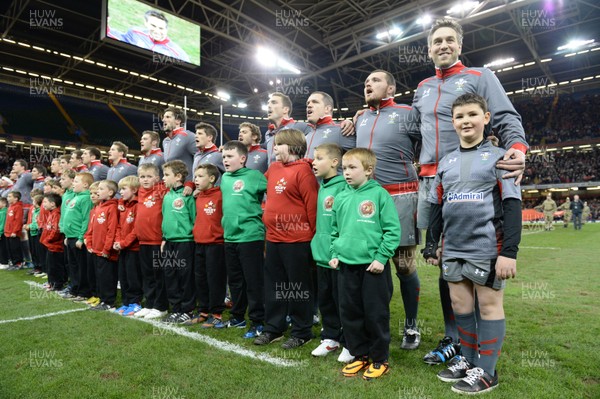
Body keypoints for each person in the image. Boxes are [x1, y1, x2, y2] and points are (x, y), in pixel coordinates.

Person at [411, 19, 529, 363]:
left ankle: (475, 346)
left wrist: (517, 149)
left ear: (459, 45)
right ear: (429, 48)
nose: (443, 45)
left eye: (450, 40)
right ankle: (455, 339)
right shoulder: (422, 87)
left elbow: (507, 118)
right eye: (437, 41)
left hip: (472, 176)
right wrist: (363, 115)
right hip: (432, 181)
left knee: (479, 258)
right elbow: (409, 130)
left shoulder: (481, 76)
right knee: (446, 260)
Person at [422, 93, 521, 394]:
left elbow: (512, 205)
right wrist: (430, 244)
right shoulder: (446, 162)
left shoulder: (501, 157)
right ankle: (466, 360)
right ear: (452, 122)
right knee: (459, 306)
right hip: (452, 248)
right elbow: (437, 207)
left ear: (486, 118)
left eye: (472, 115)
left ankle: (488, 371)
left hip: (487, 247)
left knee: (489, 306)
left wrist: (509, 253)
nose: (466, 121)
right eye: (460, 116)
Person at [355, 69, 422, 350]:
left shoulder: (408, 113)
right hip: (367, 199)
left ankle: (411, 325)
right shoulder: (360, 119)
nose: (368, 84)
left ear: (391, 89)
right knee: (368, 263)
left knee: (403, 264)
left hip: (401, 196)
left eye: (376, 81)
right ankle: (374, 322)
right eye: (366, 81)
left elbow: (431, 141)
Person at [329, 148, 400, 380]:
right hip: (346, 266)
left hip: (373, 268)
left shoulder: (380, 195)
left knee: (375, 314)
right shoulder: (341, 196)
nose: (346, 173)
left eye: (352, 168)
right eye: (344, 168)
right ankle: (360, 356)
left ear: (368, 170)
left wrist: (381, 258)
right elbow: (334, 230)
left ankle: (380, 359)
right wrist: (335, 252)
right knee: (350, 313)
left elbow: (392, 231)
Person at [254, 130, 318, 349]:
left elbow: (312, 208)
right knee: (274, 286)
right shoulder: (273, 169)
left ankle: (302, 331)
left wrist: (313, 241)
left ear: (291, 146)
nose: (274, 148)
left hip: (297, 241)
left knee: (298, 287)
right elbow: (258, 187)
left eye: (278, 144)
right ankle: (274, 328)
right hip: (273, 238)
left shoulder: (304, 172)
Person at [309, 143, 354, 362]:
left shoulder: (343, 187)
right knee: (325, 300)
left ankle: (349, 342)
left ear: (335, 162)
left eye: (318, 158)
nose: (313, 162)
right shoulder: (322, 186)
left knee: (343, 302)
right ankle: (330, 337)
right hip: (321, 255)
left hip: (339, 257)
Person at [219, 140, 267, 336]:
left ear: (243, 158)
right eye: (224, 157)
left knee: (253, 281)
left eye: (230, 156)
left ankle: (258, 321)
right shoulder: (225, 178)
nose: (225, 160)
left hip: (250, 235)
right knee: (236, 281)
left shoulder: (255, 176)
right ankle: (237, 317)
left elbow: (274, 194)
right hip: (230, 236)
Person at [189, 164, 227, 328]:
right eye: (195, 176)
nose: (195, 179)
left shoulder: (221, 195)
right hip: (199, 243)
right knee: (201, 279)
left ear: (211, 178)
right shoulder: (198, 196)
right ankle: (203, 310)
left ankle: (216, 313)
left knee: (215, 280)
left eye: (199, 176)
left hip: (216, 244)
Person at [132, 163, 170, 319]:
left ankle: (161, 306)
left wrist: (188, 185)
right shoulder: (139, 191)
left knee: (159, 275)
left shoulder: (162, 189)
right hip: (143, 241)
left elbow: (179, 185)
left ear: (157, 177)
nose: (145, 180)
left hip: (156, 241)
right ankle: (149, 303)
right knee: (147, 275)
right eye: (142, 177)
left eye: (149, 176)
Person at [161, 160, 196, 323]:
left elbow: (194, 218)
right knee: (170, 275)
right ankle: (175, 308)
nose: (163, 178)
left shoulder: (188, 196)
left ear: (178, 177)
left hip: (185, 241)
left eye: (167, 175)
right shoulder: (167, 195)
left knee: (185, 276)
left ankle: (187, 309)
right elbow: (165, 218)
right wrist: (163, 238)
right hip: (169, 242)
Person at [61, 172, 94, 301]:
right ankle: (74, 289)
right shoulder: (76, 196)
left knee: (81, 267)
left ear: (85, 185)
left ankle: (84, 292)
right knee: (73, 266)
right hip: (70, 237)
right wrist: (67, 235)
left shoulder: (86, 198)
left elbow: (86, 219)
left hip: (78, 239)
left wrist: (81, 237)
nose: (73, 183)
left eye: (76, 181)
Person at [88, 180, 120, 311]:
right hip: (96, 249)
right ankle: (102, 299)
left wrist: (107, 248)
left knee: (107, 276)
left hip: (105, 250)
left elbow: (111, 230)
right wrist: (90, 243)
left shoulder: (112, 207)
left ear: (110, 192)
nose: (97, 192)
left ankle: (109, 301)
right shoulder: (98, 207)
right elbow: (92, 228)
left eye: (101, 189)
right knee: (100, 276)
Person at [113, 176, 143, 316]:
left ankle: (135, 303)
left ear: (135, 190)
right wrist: (118, 241)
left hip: (133, 248)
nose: (121, 192)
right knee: (123, 276)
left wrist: (124, 243)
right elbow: (119, 226)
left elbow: (137, 229)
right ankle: (126, 302)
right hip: (122, 247)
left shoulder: (138, 205)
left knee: (133, 277)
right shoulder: (122, 205)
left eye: (124, 189)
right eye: (120, 189)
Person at [122, 10, 191, 63]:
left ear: (166, 29)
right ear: (146, 23)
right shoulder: (135, 32)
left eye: (161, 28)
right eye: (153, 26)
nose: (157, 31)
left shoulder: (178, 53)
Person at [304, 91, 355, 160]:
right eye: (308, 103)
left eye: (315, 102)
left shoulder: (342, 130)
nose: (309, 105)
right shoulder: (307, 135)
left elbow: (364, 156)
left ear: (327, 109)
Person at [264, 92, 312, 164]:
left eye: (274, 102)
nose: (269, 105)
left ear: (285, 109)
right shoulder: (268, 134)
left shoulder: (301, 127)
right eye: (268, 103)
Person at [162, 107, 196, 183]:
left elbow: (201, 157)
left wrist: (192, 183)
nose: (163, 120)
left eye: (168, 117)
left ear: (178, 121)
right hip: (171, 187)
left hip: (186, 188)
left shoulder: (188, 136)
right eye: (163, 117)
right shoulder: (165, 141)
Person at [39, 193, 66, 291]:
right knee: (50, 266)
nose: (43, 204)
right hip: (50, 246)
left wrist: (47, 240)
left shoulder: (56, 214)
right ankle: (51, 283)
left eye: (45, 202)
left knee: (56, 266)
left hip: (56, 246)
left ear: (53, 204)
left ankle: (58, 284)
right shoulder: (51, 213)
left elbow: (56, 231)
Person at [5, 191, 24, 270]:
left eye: (10, 196)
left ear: (16, 198)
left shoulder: (18, 207)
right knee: (10, 249)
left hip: (14, 233)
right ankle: (13, 263)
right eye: (8, 196)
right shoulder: (10, 207)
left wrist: (15, 231)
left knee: (15, 248)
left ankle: (18, 263)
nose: (8, 198)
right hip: (8, 232)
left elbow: (18, 220)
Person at [0, 197, 9, 269]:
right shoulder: (1, 211)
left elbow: (2, 224)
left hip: (2, 233)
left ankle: (4, 262)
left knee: (2, 248)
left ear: (4, 203)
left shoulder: (4, 212)